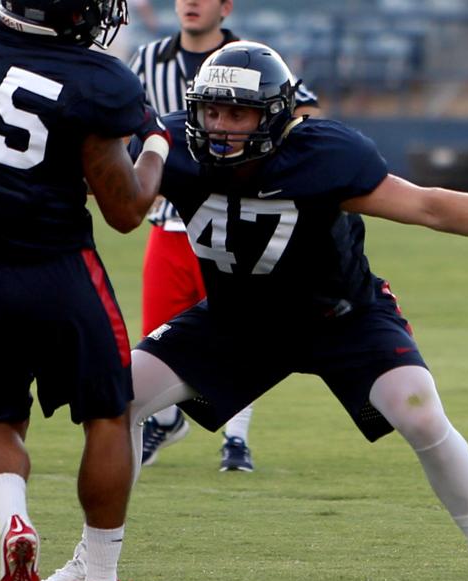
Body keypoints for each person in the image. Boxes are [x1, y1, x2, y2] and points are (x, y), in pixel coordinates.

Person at [43, 40, 468, 581]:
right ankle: (92, 566)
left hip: (342, 318)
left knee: (422, 414)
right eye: (213, 110)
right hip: (236, 319)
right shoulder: (173, 145)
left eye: (238, 113)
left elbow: (426, 205)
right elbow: (84, 182)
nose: (221, 126)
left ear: (275, 116)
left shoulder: (326, 154)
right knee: (119, 399)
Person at [0, 0, 170, 581]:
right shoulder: (97, 79)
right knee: (109, 414)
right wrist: (156, 144)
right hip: (56, 266)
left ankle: (15, 520)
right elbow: (126, 210)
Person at [132, 0, 321, 473]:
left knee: (238, 329)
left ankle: (236, 437)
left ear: (226, 6)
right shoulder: (148, 58)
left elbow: (304, 111)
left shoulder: (252, 57)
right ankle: (166, 420)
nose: (191, 3)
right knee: (159, 330)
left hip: (236, 217)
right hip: (171, 219)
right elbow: (125, 121)